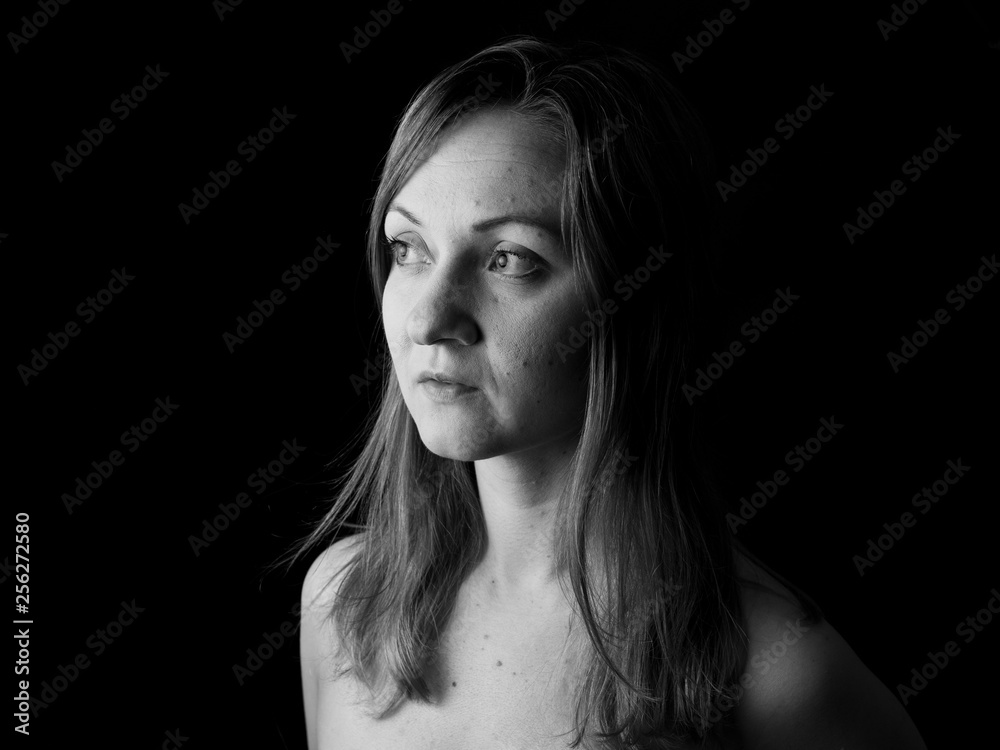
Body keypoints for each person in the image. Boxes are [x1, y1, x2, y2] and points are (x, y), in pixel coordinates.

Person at [293, 35, 928, 749]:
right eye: (408, 248)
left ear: (633, 299)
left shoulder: (772, 673)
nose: (428, 319)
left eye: (510, 260)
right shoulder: (341, 604)